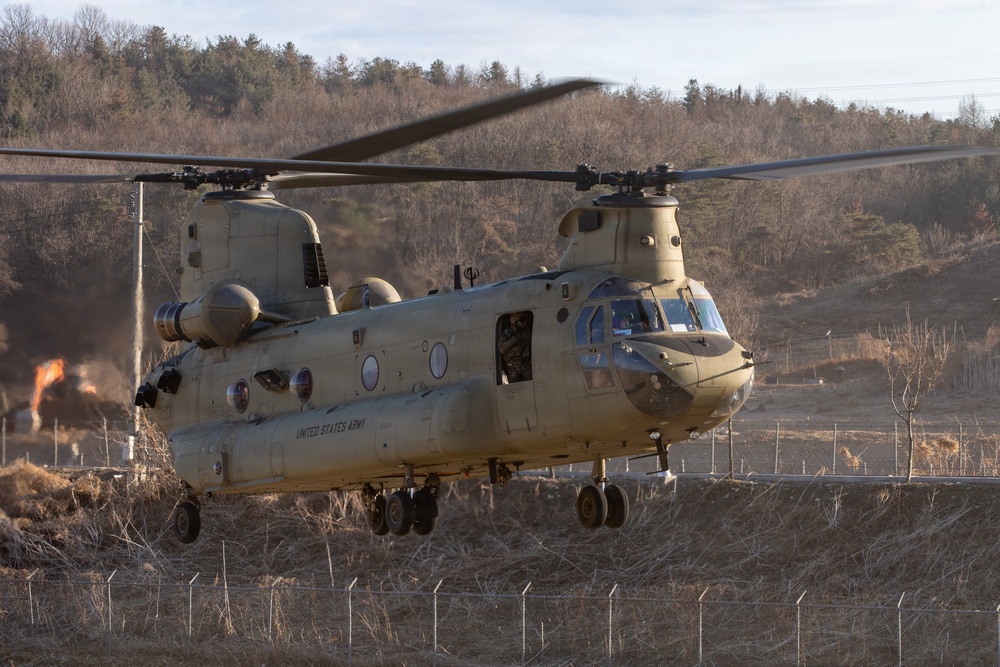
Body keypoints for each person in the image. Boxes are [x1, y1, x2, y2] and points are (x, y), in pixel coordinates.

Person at [499, 312, 532, 383]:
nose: (524, 323)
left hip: (526, 366)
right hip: (513, 368)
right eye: (522, 320)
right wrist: (514, 339)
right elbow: (502, 348)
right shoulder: (508, 332)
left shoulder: (528, 332)